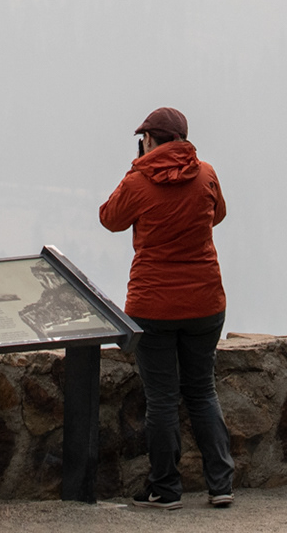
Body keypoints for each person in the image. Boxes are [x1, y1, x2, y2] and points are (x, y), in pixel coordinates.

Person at [98, 107, 234, 510]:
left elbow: (110, 218)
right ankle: (221, 484)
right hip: (206, 302)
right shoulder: (206, 174)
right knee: (202, 391)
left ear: (150, 140)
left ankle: (165, 489)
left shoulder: (139, 180)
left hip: (153, 305)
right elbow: (219, 215)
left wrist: (137, 169)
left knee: (161, 399)